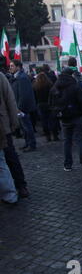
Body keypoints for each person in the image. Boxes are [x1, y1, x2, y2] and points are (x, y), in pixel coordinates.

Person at [49, 67, 82, 172]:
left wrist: (57, 112)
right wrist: (81, 112)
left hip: (63, 118)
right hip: (77, 116)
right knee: (81, 140)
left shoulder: (54, 87)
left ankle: (67, 164)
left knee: (67, 141)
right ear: (71, 75)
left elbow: (50, 104)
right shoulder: (76, 86)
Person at [0, 71, 20, 204]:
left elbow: (10, 100)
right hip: (3, 125)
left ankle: (18, 188)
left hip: (3, 126)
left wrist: (14, 123)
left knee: (8, 159)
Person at [9, 59, 37, 152]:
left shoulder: (22, 78)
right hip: (18, 107)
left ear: (18, 67)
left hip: (22, 108)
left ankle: (31, 144)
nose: (10, 67)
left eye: (12, 66)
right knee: (24, 127)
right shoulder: (16, 77)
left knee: (27, 126)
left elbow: (23, 95)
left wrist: (19, 108)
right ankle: (27, 143)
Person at [33, 72, 59, 142]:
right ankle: (55, 135)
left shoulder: (36, 86)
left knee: (44, 121)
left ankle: (48, 136)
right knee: (52, 120)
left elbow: (34, 97)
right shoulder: (49, 84)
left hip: (40, 105)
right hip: (49, 104)